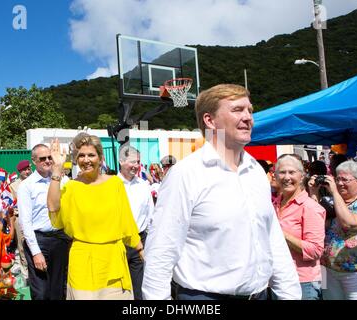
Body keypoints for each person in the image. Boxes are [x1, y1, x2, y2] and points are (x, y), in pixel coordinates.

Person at [142, 84, 301, 300]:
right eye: (237, 110)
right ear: (210, 120)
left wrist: (289, 295)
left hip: (260, 294)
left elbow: (272, 238)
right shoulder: (186, 174)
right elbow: (161, 250)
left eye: (250, 110)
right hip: (203, 298)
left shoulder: (256, 171)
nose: (248, 118)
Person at [47, 134, 143, 300]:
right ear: (76, 160)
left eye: (91, 155)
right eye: (81, 156)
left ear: (101, 158)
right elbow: (53, 208)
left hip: (113, 262)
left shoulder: (115, 184)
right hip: (82, 263)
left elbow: (126, 220)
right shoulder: (71, 187)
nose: (86, 160)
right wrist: (56, 170)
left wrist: (140, 249)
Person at [309, 160, 357, 300]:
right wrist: (313, 192)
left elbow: (349, 223)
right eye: (337, 179)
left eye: (344, 179)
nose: (340, 183)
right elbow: (315, 220)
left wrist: (334, 191)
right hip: (328, 270)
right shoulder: (332, 200)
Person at [17, 144, 71, 300]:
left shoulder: (64, 180)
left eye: (50, 157)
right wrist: (36, 252)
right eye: (43, 158)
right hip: (39, 240)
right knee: (41, 292)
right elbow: (25, 222)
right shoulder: (27, 186)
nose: (48, 161)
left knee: (58, 289)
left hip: (60, 239)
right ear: (34, 161)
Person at [273, 154, 326, 300]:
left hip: (302, 282)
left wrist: (280, 234)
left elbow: (316, 250)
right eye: (282, 172)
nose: (286, 177)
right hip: (277, 280)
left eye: (292, 172)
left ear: (302, 176)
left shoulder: (310, 207)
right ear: (275, 176)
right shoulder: (274, 205)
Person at [117, 144, 154, 300]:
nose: (136, 166)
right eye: (132, 162)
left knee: (138, 289)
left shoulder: (143, 185)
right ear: (121, 161)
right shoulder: (111, 185)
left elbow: (151, 215)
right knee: (119, 289)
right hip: (117, 242)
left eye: (138, 162)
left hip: (139, 242)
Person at [9, 159, 32, 286]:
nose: (27, 171)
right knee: (22, 246)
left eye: (28, 169)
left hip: (34, 217)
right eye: (24, 170)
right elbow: (11, 205)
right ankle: (26, 274)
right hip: (20, 218)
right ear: (20, 171)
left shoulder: (35, 182)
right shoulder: (14, 185)